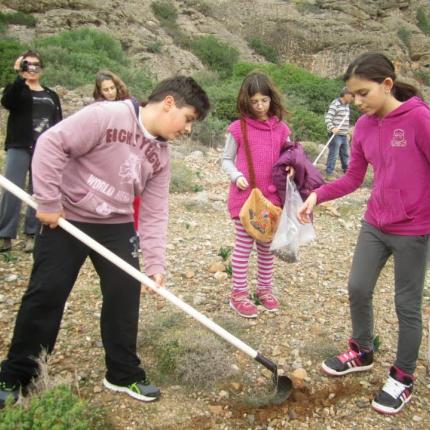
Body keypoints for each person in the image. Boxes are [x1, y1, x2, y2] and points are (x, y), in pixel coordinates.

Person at [0, 76, 210, 408]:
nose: (187, 129)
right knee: (46, 294)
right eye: (188, 119)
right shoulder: (106, 115)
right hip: (68, 218)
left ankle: (122, 373)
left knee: (124, 297)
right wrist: (49, 202)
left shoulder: (162, 156)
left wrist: (154, 263)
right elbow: (52, 144)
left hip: (116, 225)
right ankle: (17, 374)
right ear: (169, 103)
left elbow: (155, 213)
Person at [298, 52, 430, 415]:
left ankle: (402, 377)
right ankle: (362, 350)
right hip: (375, 223)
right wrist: (317, 196)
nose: (357, 102)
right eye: (352, 95)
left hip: (413, 229)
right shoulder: (366, 127)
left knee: (407, 306)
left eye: (363, 93)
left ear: (387, 85)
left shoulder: (419, 119)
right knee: (357, 286)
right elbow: (354, 177)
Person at [222, 71, 293, 318]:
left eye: (264, 100)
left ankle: (264, 290)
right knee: (243, 248)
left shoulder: (282, 129)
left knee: (265, 248)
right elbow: (226, 159)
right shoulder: (237, 128)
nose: (260, 106)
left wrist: (292, 167)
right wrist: (236, 176)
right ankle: (238, 294)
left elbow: (290, 156)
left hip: (271, 202)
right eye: (254, 101)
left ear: (271, 99)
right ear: (246, 101)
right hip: (245, 201)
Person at [0, 51, 62, 253]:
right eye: (28, 65)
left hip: (44, 151)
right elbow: (7, 102)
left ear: (42, 68)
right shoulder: (17, 89)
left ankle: (32, 235)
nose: (32, 68)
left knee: (38, 191)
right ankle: (5, 235)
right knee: (12, 189)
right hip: (19, 145)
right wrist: (19, 76)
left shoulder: (51, 95)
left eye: (36, 65)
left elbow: (59, 124)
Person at [92, 70, 141, 230]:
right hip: (107, 153)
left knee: (134, 192)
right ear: (100, 91)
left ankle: (134, 230)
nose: (110, 92)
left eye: (112, 88)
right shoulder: (97, 108)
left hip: (130, 151)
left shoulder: (131, 104)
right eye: (105, 90)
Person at [324, 88, 353, 179]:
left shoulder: (347, 105)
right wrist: (332, 128)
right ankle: (329, 174)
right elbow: (328, 118)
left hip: (344, 135)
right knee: (334, 154)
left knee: (345, 154)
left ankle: (347, 173)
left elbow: (345, 120)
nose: (352, 98)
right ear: (346, 95)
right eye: (351, 96)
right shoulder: (335, 104)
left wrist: (347, 132)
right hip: (335, 135)